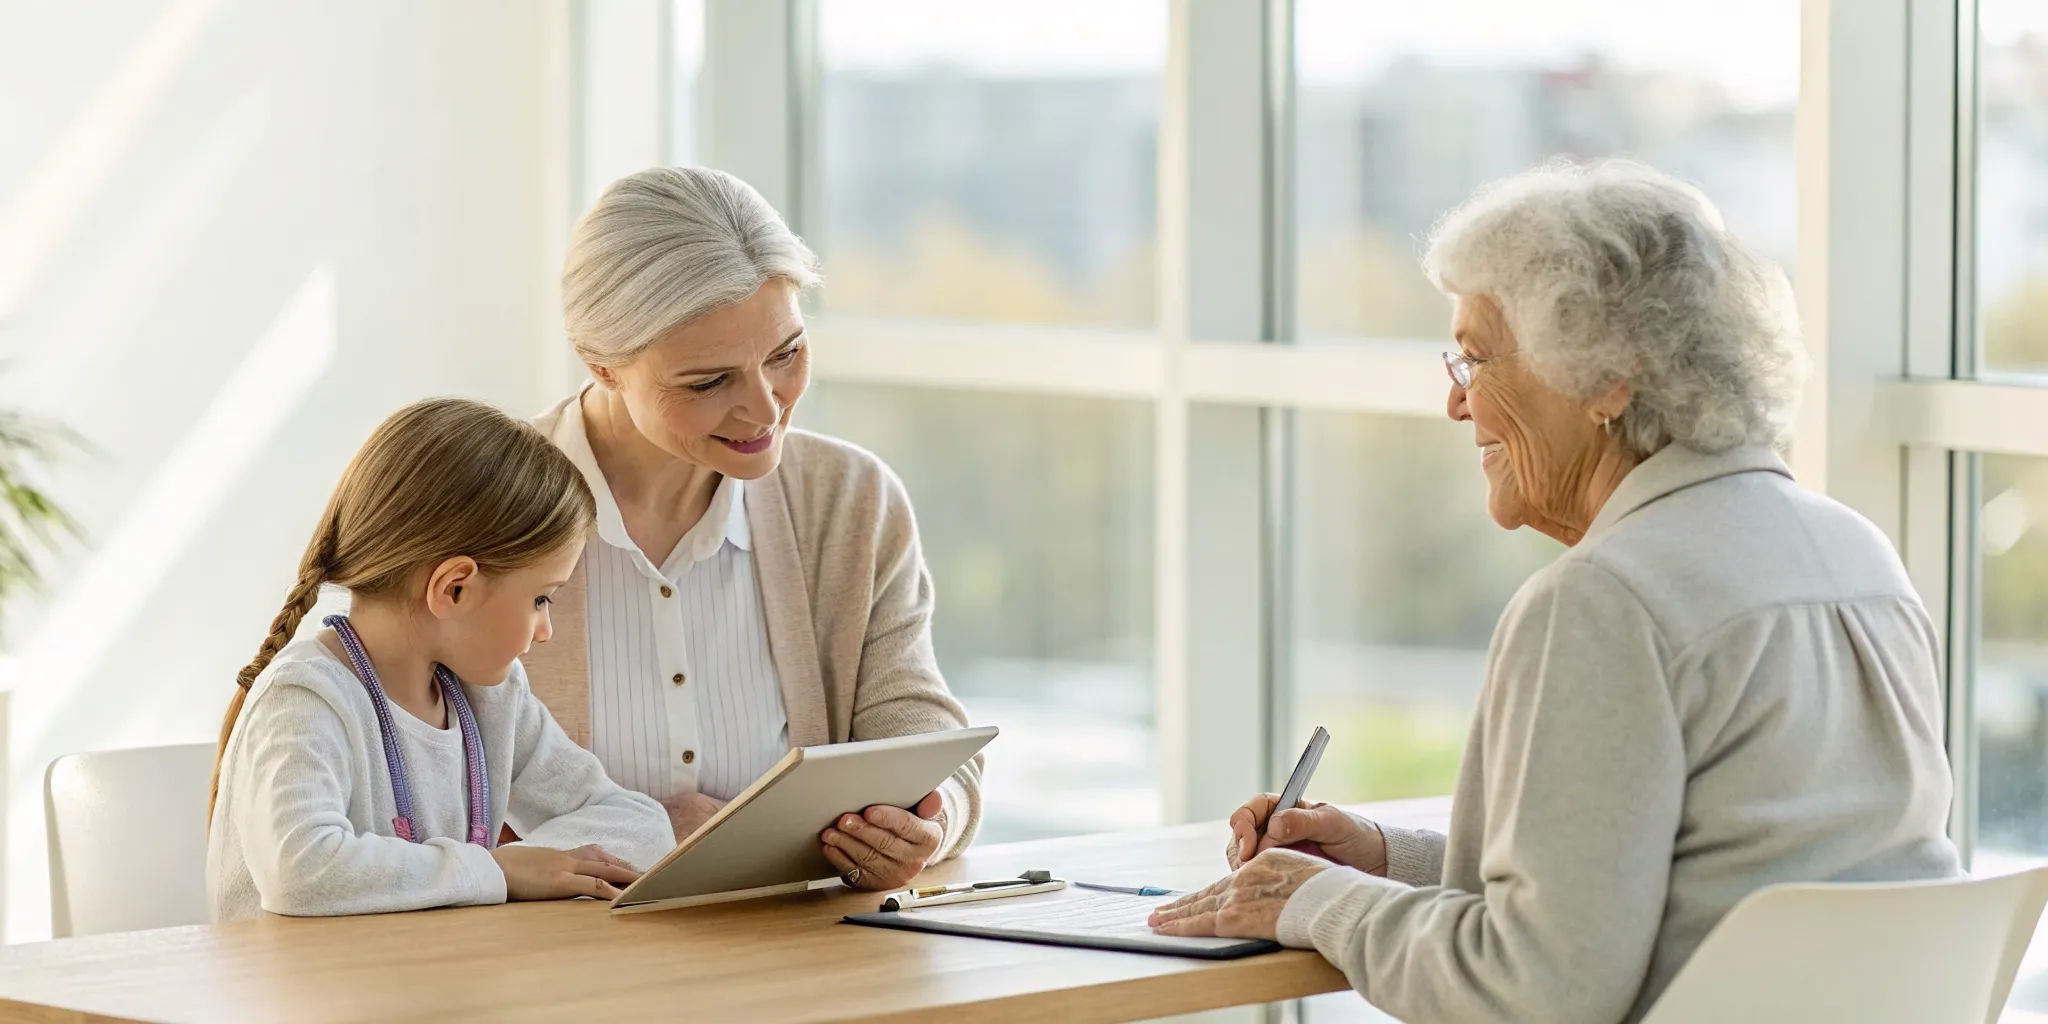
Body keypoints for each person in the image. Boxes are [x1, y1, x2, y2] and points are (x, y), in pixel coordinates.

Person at [1149, 160, 1963, 1023]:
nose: (1456, 404)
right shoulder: (1856, 554)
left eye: (1476, 359)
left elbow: (1537, 993)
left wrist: (1315, 900)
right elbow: (1680, 885)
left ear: (1608, 376)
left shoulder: (1606, 599)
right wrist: (1388, 862)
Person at [519, 166, 981, 893]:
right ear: (602, 365)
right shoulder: (471, 508)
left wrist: (927, 821)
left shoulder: (849, 501)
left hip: (797, 944)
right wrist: (638, 829)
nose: (766, 409)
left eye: (785, 354)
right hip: (541, 954)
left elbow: (926, 737)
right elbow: (396, 802)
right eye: (709, 382)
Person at [207, 399, 675, 922]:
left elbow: (641, 824)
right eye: (541, 599)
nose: (546, 630)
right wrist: (498, 872)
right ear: (454, 588)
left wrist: (521, 867)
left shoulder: (491, 698)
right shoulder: (304, 698)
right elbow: (302, 871)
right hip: (307, 977)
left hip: (434, 970)